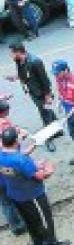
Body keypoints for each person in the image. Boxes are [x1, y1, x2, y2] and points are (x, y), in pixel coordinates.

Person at [0, 127, 67, 245]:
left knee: (29, 220)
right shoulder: (21, 160)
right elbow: (38, 176)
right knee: (44, 219)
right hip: (32, 195)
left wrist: (33, 152)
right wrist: (49, 170)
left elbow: (18, 164)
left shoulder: (3, 156)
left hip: (15, 195)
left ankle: (37, 241)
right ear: (15, 141)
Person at [7, 42, 58, 151]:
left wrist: (48, 96)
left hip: (41, 94)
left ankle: (48, 138)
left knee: (45, 115)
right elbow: (24, 74)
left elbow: (45, 80)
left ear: (18, 52)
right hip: (33, 91)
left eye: (12, 53)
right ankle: (58, 129)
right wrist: (16, 77)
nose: (10, 55)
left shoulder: (35, 62)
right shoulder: (19, 61)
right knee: (48, 112)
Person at [0, 98, 31, 234]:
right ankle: (20, 224)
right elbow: (10, 145)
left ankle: (14, 225)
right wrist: (21, 137)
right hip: (5, 166)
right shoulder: (4, 123)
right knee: (12, 194)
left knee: (4, 201)